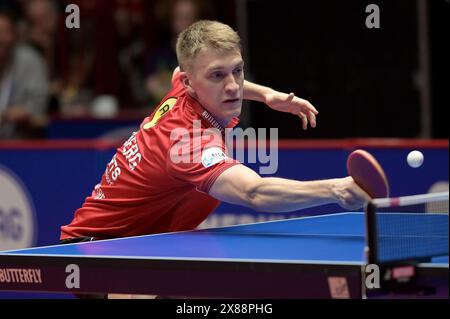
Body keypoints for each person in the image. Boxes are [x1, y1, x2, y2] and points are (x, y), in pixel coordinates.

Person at [60, 20, 371, 298]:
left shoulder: (185, 85)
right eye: (218, 76)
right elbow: (254, 192)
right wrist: (335, 190)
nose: (234, 86)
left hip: (142, 244)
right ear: (188, 83)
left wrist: (267, 96)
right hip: (97, 251)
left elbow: (214, 74)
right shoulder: (186, 140)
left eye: (237, 70)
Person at [0, 5, 49, 139]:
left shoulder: (30, 60)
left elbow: (38, 111)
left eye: (4, 33)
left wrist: (20, 114)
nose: (0, 39)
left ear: (15, 35)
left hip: (20, 145)